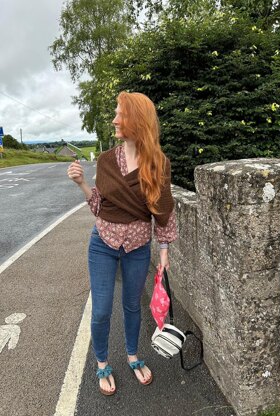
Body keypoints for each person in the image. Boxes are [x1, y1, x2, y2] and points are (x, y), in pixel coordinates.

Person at [67, 91, 177, 396]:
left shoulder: (158, 163)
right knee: (101, 309)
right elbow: (99, 205)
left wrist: (164, 250)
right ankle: (101, 362)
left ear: (138, 121)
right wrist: (81, 184)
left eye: (121, 114)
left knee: (132, 305)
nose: (115, 119)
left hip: (138, 248)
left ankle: (132, 355)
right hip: (102, 242)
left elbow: (164, 210)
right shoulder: (105, 161)